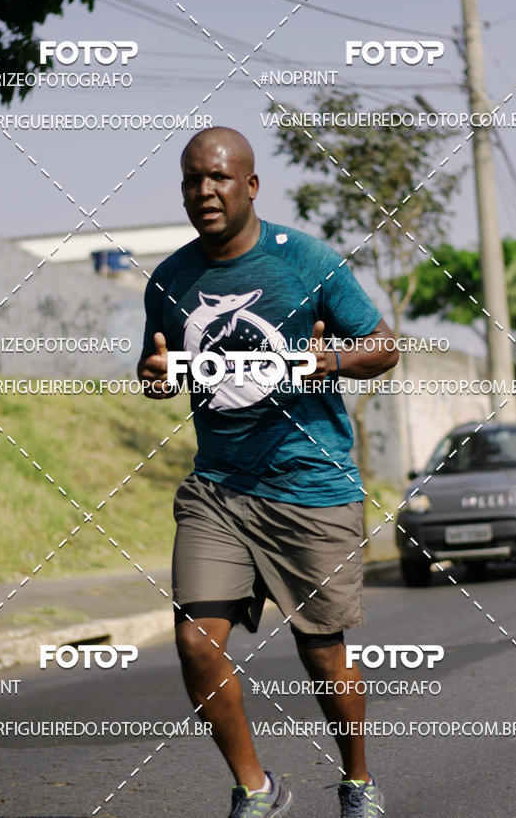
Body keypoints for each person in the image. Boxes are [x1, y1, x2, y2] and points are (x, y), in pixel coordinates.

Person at [137, 126, 398, 817]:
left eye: (219, 178)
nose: (205, 192)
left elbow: (384, 345)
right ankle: (256, 789)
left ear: (250, 186)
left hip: (309, 486)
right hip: (218, 490)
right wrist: (155, 378)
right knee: (196, 643)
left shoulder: (304, 259)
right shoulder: (169, 280)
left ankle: (358, 782)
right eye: (193, 179)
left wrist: (330, 361)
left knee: (322, 652)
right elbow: (158, 364)